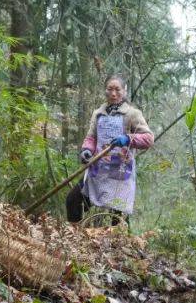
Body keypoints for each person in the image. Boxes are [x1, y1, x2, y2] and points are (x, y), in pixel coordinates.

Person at [66, 75, 154, 226]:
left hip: (120, 174)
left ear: (124, 91)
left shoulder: (132, 114)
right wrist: (86, 150)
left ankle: (116, 248)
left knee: (116, 220)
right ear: (105, 91)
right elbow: (91, 137)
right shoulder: (98, 113)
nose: (113, 93)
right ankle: (75, 236)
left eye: (117, 89)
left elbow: (148, 138)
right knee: (72, 199)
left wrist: (128, 138)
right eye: (110, 89)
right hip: (98, 171)